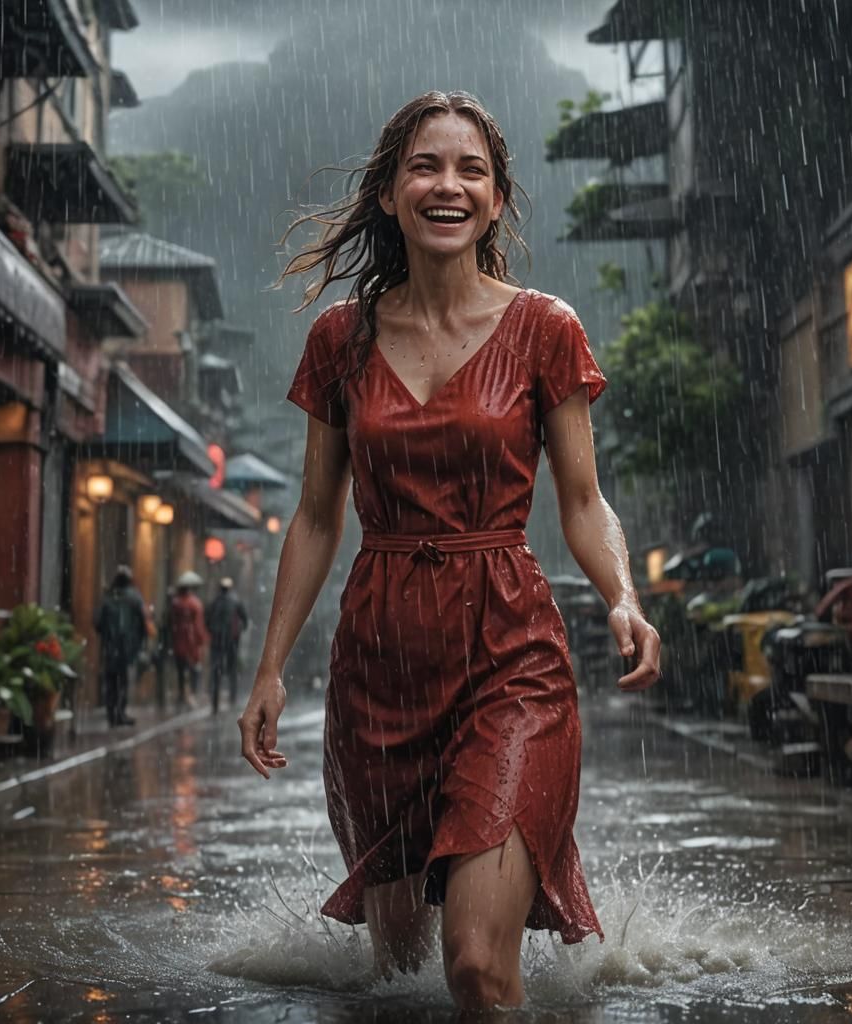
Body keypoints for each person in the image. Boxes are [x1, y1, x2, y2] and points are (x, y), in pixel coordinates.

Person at [237, 91, 661, 1011]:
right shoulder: (339, 341)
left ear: (497, 199)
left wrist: (622, 596)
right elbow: (315, 518)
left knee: (474, 964)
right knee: (397, 981)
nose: (448, 185)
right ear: (389, 193)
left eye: (471, 170)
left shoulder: (546, 328)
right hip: (379, 664)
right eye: (425, 167)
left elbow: (583, 502)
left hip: (511, 650)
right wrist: (270, 667)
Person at [93, 565, 147, 727]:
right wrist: (139, 640)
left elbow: (98, 622)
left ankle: (112, 713)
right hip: (127, 647)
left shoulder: (108, 597)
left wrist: (106, 636)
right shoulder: (135, 597)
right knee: (122, 680)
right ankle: (120, 712)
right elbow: (143, 622)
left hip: (110, 646)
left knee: (111, 681)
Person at [206, 577, 249, 714]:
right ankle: (232, 697)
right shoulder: (236, 601)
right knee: (232, 669)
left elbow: (207, 619)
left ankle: (215, 701)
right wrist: (240, 630)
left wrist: (213, 631)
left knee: (216, 670)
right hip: (231, 641)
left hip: (217, 641)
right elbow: (245, 619)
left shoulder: (215, 602)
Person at [170, 571, 208, 707]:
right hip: (191, 643)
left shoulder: (175, 603)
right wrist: (201, 640)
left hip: (178, 641)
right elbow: (198, 625)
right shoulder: (195, 604)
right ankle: (190, 693)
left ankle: (182, 694)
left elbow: (172, 622)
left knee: (181, 669)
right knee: (194, 668)